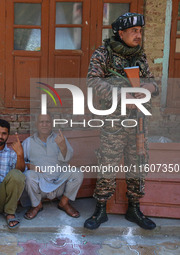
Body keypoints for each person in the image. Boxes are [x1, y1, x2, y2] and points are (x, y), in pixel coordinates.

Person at [84, 13, 159, 230]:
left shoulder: (139, 56)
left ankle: (134, 208)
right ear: (121, 33)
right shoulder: (104, 53)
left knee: (138, 163)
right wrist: (123, 95)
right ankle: (100, 210)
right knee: (108, 163)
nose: (139, 35)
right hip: (114, 122)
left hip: (139, 121)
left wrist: (149, 88)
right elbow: (93, 81)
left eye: (140, 31)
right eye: (134, 31)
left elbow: (154, 83)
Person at [21, 114, 83, 220]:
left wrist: (62, 146)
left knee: (77, 172)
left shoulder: (60, 139)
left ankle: (64, 202)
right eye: (41, 122)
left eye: (47, 122)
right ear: (36, 124)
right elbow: (20, 163)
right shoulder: (28, 142)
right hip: (40, 186)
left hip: (59, 183)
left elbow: (67, 158)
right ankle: (37, 205)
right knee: (27, 175)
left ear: (52, 124)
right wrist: (29, 165)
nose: (44, 125)